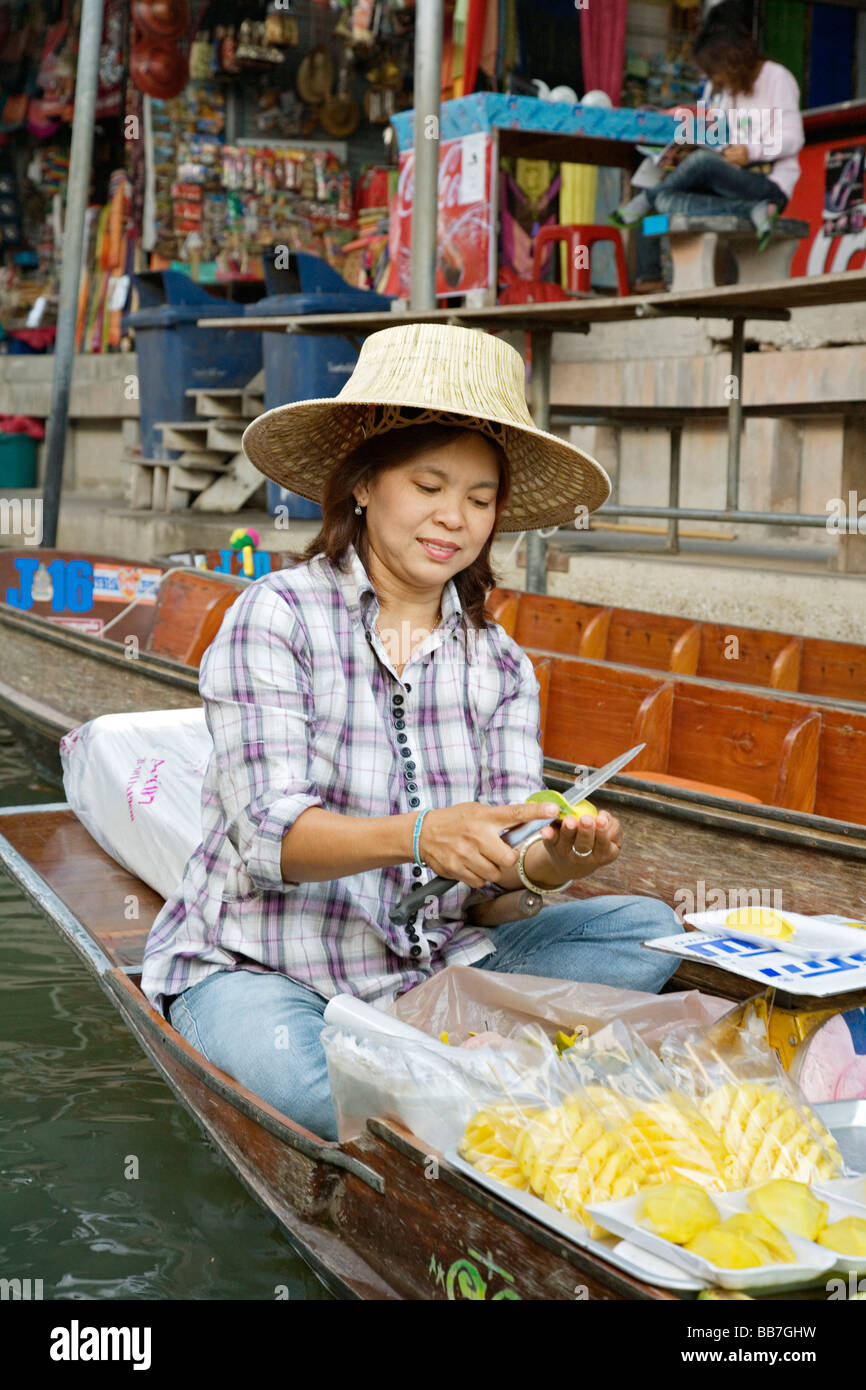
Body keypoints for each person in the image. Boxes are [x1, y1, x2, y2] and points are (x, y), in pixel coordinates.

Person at [140, 322, 683, 1141]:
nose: (453, 519)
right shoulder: (278, 615)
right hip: (267, 970)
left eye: (478, 498)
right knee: (335, 1099)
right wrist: (423, 835)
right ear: (362, 484)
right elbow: (269, 840)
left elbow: (494, 895)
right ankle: (454, 1065)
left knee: (643, 929)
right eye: (428, 486)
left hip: (429, 966)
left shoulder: (499, 665)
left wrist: (551, 862)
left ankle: (434, 1049)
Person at [613, 9, 804, 254]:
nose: (714, 80)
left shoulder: (777, 77)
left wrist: (751, 151)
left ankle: (644, 201)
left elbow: (793, 138)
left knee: (700, 163)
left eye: (715, 72)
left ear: (732, 60)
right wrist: (687, 150)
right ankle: (754, 211)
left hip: (769, 184)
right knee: (666, 198)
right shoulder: (724, 91)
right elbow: (717, 140)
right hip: (731, 185)